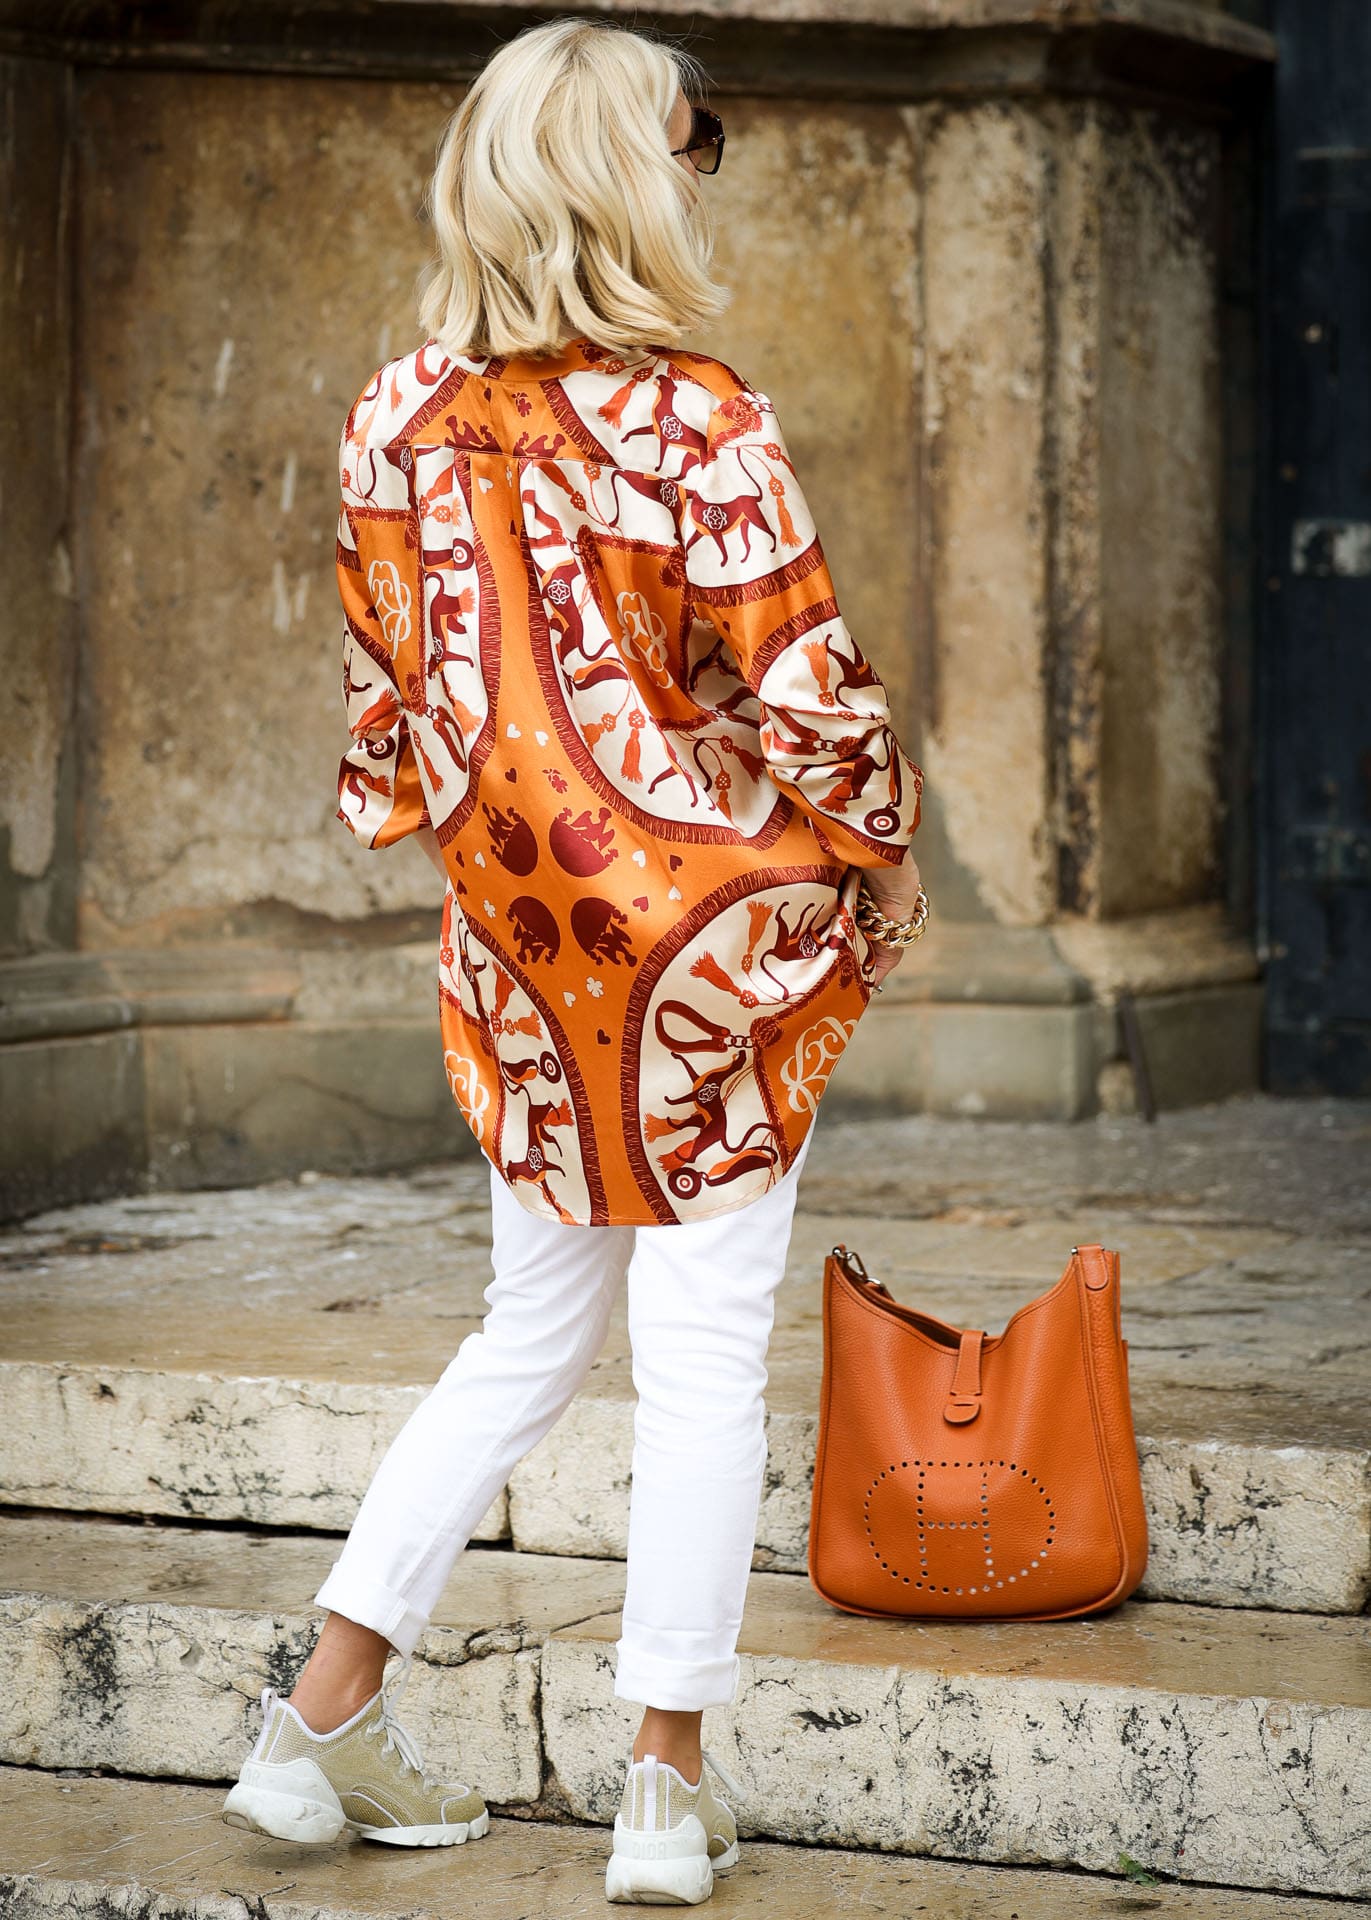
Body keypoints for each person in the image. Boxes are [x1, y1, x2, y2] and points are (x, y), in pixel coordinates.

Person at [222, 14, 926, 1906]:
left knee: (526, 1339)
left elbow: (389, 728)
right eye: (694, 142)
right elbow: (806, 682)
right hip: (709, 947)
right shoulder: (701, 411)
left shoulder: (389, 415)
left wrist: (504, 851)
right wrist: (874, 854)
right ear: (633, 171)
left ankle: (316, 1724)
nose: (707, 171)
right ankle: (662, 1788)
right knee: (702, 1362)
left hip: (527, 962)